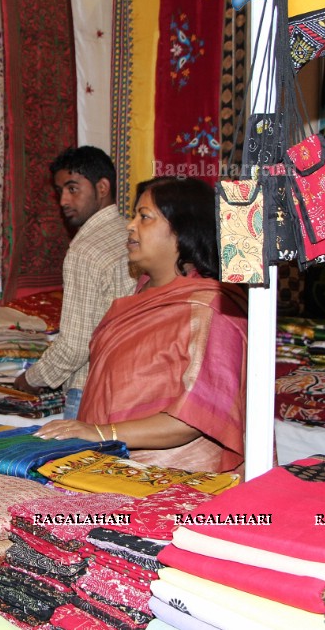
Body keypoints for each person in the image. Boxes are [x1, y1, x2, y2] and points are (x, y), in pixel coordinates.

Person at [35, 177, 248, 473]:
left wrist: (99, 433)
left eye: (144, 217)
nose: (130, 225)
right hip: (111, 468)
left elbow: (197, 416)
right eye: (134, 215)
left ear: (182, 229)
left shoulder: (210, 308)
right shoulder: (142, 295)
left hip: (174, 480)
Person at [12, 146, 134, 419]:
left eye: (73, 189)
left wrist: (30, 379)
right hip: (128, 385)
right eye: (60, 192)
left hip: (90, 389)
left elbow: (75, 346)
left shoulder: (85, 250)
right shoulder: (132, 233)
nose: (63, 201)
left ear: (102, 188)